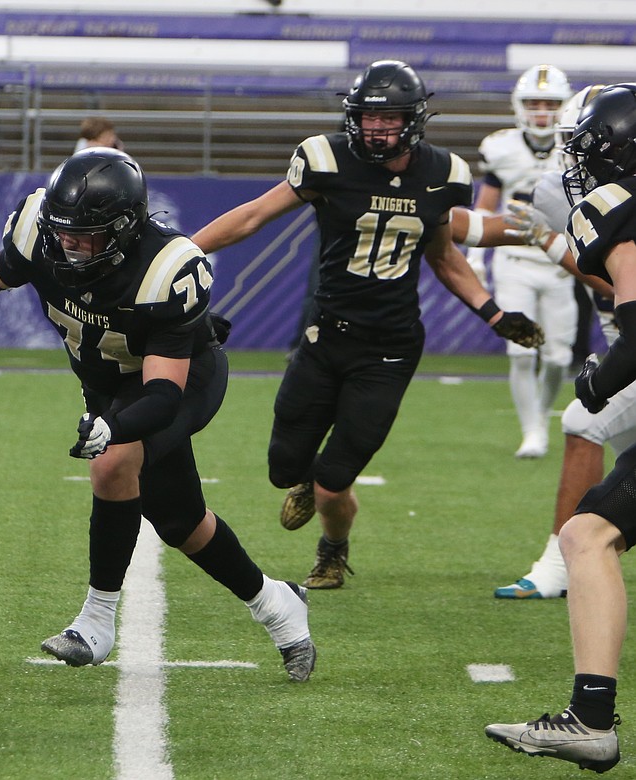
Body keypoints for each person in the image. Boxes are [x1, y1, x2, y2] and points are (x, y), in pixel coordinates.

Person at [0, 147, 316, 681]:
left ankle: (96, 620)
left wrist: (113, 426)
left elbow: (161, 393)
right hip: (107, 388)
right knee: (182, 523)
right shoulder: (42, 232)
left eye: (86, 235)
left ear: (126, 228)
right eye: (62, 232)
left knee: (113, 463)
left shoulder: (164, 269)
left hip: (179, 382)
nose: (70, 245)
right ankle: (276, 604)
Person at [192, 60, 544, 590]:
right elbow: (254, 215)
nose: (376, 128)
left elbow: (444, 256)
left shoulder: (443, 173)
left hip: (391, 347)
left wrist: (494, 314)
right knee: (284, 469)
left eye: (390, 119)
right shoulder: (325, 158)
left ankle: (333, 549)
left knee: (335, 482)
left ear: (415, 119)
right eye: (368, 118)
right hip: (324, 335)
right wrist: (184, 251)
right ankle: (308, 480)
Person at [485, 82, 636, 774]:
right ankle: (590, 718)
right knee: (590, 531)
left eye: (581, 147)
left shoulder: (615, 207)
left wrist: (596, 381)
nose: (573, 163)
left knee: (587, 534)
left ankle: (590, 720)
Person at [465, 65, 575, 458]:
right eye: (534, 103)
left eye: (550, 103)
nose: (542, 111)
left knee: (560, 358)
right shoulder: (502, 147)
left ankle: (540, 417)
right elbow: (486, 205)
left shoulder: (575, 146)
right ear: (519, 106)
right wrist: (475, 255)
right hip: (514, 259)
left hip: (561, 262)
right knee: (521, 351)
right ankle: (532, 432)